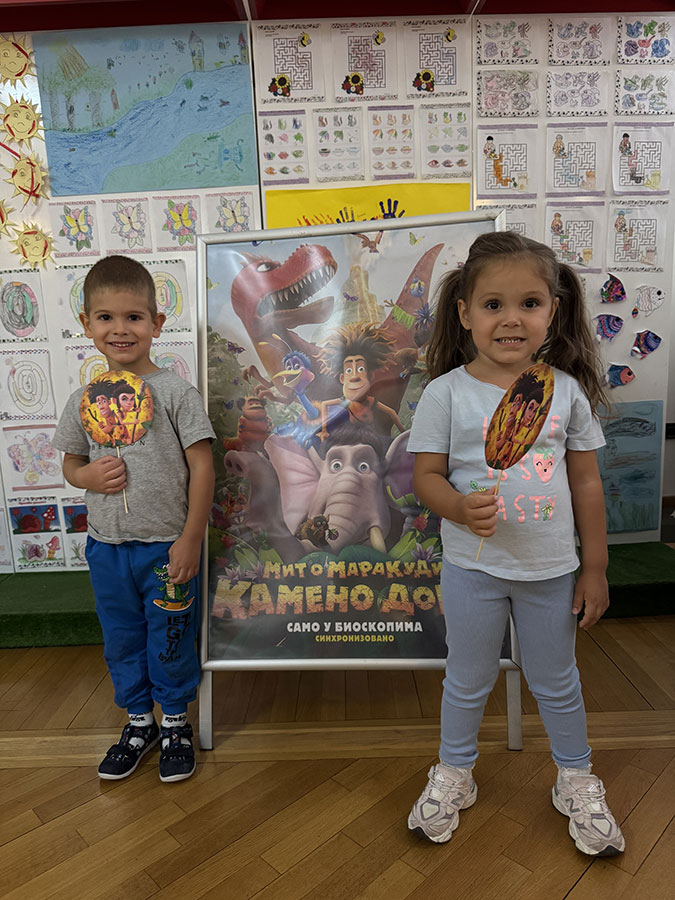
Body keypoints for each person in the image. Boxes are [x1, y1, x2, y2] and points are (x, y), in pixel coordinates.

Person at [406, 232, 624, 857]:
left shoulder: (565, 391)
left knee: (556, 680)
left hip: (549, 570)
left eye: (529, 303)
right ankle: (455, 771)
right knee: (466, 678)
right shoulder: (446, 393)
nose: (511, 319)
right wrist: (456, 506)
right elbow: (426, 476)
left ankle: (575, 778)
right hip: (472, 569)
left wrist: (595, 567)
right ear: (464, 313)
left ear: (552, 310)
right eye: (493, 305)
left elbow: (586, 482)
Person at [52, 256, 215, 783]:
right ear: (87, 325)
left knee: (170, 634)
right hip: (107, 547)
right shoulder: (83, 401)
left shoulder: (175, 393)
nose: (120, 329)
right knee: (121, 637)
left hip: (166, 547)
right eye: (105, 317)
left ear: (156, 324)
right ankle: (140, 722)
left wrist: (191, 538)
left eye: (134, 317)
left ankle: (176, 723)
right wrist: (87, 477)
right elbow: (71, 464)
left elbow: (203, 466)